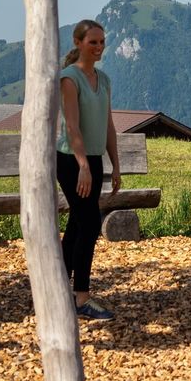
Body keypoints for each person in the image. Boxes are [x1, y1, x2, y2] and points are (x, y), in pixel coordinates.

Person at [57, 18, 120, 321]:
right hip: (71, 160)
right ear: (78, 43)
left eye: (101, 42)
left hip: (93, 160)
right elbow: (72, 126)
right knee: (90, 223)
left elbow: (107, 125)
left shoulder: (104, 79)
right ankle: (81, 297)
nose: (98, 47)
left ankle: (59, 289)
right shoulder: (70, 78)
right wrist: (83, 166)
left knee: (78, 226)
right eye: (92, 42)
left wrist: (115, 166)